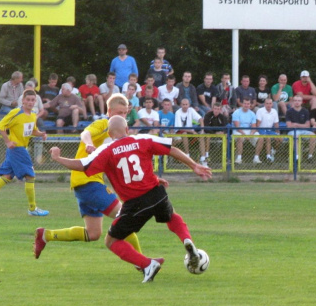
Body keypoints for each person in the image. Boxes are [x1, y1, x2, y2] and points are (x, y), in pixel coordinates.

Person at [48, 115, 212, 283]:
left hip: (135, 203)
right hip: (156, 193)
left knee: (112, 241)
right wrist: (194, 165)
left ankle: (147, 264)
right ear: (127, 130)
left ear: (110, 134)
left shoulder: (107, 150)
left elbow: (82, 165)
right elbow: (171, 149)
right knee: (172, 217)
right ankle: (187, 240)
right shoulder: (142, 139)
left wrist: (58, 158)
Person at [33, 94, 143, 259]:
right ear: (109, 111)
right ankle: (145, 263)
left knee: (93, 234)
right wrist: (89, 143)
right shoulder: (104, 124)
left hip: (86, 183)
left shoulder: (118, 135)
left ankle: (46, 235)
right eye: (119, 112)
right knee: (125, 218)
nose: (122, 116)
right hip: (88, 181)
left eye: (125, 113)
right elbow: (85, 133)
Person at [0, 89, 49, 217]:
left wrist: (41, 133)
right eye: (28, 100)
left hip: (19, 150)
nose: (30, 102)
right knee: (30, 176)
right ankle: (32, 208)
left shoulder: (33, 115)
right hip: (17, 149)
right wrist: (8, 142)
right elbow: (1, 126)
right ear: (23, 100)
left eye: (33, 100)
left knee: (7, 177)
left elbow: (32, 131)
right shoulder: (16, 112)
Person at [174, 98, 205, 163]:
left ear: (189, 105)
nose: (185, 106)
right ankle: (187, 155)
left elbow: (200, 119)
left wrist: (202, 130)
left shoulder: (191, 110)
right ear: (180, 105)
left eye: (186, 104)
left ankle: (203, 158)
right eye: (183, 104)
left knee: (201, 136)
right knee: (184, 134)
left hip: (190, 131)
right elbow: (180, 128)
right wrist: (192, 131)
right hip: (179, 132)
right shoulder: (178, 112)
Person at [285, 95, 315, 160]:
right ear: (293, 102)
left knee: (313, 136)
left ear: (301, 102)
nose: (297, 102)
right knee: (296, 136)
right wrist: (301, 125)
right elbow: (289, 125)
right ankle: (297, 157)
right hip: (292, 131)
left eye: (299, 101)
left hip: (304, 131)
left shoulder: (305, 111)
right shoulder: (289, 111)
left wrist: (296, 124)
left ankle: (310, 156)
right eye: (295, 100)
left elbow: (308, 125)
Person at [232, 98, 259, 164]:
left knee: (260, 138)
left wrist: (251, 134)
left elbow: (254, 127)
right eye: (245, 103)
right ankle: (239, 158)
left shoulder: (252, 113)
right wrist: (245, 135)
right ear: (242, 104)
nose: (246, 105)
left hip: (249, 131)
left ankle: (256, 158)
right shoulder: (236, 112)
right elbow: (237, 127)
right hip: (238, 131)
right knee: (240, 137)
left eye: (248, 104)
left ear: (250, 105)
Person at [254, 98, 280, 163]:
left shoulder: (274, 111)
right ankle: (268, 156)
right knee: (268, 138)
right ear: (264, 104)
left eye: (270, 103)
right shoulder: (260, 111)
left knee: (280, 139)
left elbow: (276, 124)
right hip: (261, 129)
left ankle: (273, 151)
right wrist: (257, 131)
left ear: (272, 104)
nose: (268, 105)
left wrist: (278, 133)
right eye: (267, 103)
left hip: (269, 130)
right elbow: (258, 124)